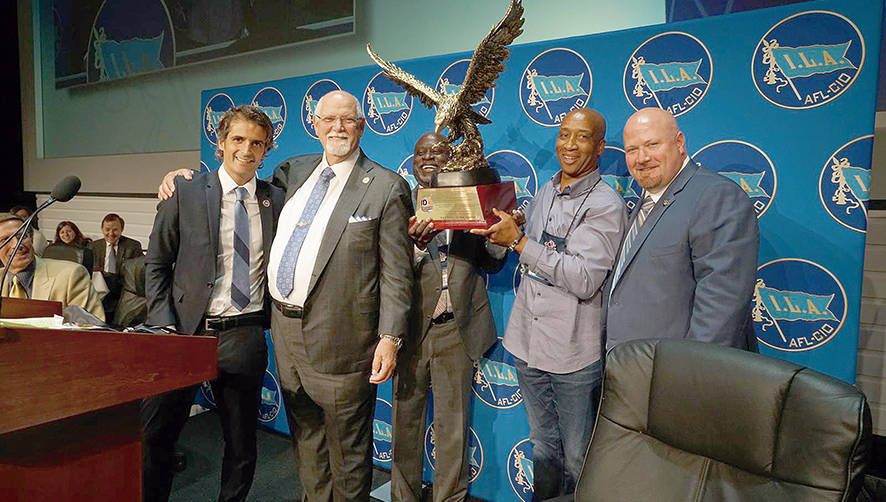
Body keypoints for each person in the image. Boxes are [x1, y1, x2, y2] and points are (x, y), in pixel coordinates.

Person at [158, 90, 413, 501]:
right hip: (285, 335)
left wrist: (390, 336)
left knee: (349, 453)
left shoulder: (385, 186)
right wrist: (180, 176)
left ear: (362, 127)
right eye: (329, 119)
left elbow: (397, 273)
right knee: (307, 442)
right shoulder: (292, 172)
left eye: (347, 120)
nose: (338, 128)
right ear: (314, 125)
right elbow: (236, 178)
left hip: (345, 342)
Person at [471, 108, 626, 499]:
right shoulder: (545, 191)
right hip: (527, 347)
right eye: (564, 134)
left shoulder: (606, 204)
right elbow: (531, 248)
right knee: (543, 450)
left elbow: (584, 278)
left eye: (582, 136)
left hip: (573, 355)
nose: (570, 144)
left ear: (600, 147)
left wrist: (520, 243)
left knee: (577, 458)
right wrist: (501, 227)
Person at [143, 105, 284, 502]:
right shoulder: (185, 191)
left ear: (267, 149)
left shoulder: (277, 199)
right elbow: (156, 263)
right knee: (156, 436)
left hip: (244, 332)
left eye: (257, 143)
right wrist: (163, 323)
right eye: (237, 139)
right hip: (184, 333)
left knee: (241, 445)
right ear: (220, 143)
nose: (246, 149)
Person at [391, 133, 506, 502]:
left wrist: (500, 237)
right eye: (421, 152)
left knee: (452, 425)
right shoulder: (395, 205)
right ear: (412, 162)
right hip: (407, 331)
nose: (429, 158)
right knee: (405, 423)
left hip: (456, 328)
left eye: (438, 152)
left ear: (450, 160)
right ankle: (402, 496)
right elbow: (383, 271)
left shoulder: (471, 201)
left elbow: (491, 260)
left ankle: (449, 497)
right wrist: (414, 248)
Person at [604, 107, 759, 350]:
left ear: (679, 142)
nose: (642, 158)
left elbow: (720, 312)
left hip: (673, 376)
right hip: (630, 370)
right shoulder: (646, 203)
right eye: (632, 150)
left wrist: (688, 377)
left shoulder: (715, 196)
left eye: (652, 144)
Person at [0, 212, 105, 320]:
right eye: (6, 240)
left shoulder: (72, 275)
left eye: (22, 236)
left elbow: (92, 329)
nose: (17, 244)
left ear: (31, 239)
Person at [90, 213, 143, 320]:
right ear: (102, 229)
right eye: (107, 229)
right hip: (100, 293)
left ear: (122, 229)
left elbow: (137, 273)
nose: (110, 233)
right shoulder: (93, 246)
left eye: (115, 230)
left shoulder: (133, 246)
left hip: (123, 292)